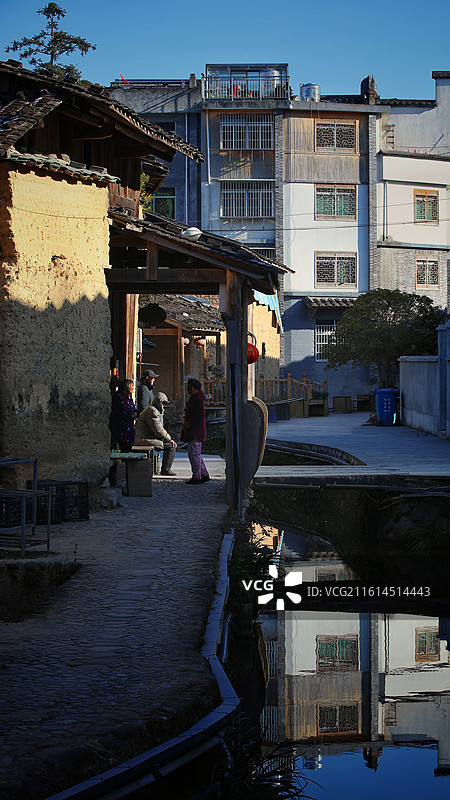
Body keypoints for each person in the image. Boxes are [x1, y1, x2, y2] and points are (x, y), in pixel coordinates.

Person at [134, 392, 177, 475]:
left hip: (145, 437)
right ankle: (165, 469)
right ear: (158, 402)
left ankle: (165, 469)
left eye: (165, 403)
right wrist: (169, 439)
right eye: (162, 403)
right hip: (143, 439)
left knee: (168, 443)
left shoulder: (154, 410)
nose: (163, 405)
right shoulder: (152, 411)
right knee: (171, 446)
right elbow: (158, 429)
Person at [180, 378, 210, 485]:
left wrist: (190, 423)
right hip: (194, 430)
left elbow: (200, 415)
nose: (187, 389)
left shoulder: (197, 400)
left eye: (188, 387)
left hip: (195, 431)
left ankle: (197, 476)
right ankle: (204, 474)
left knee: (194, 455)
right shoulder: (195, 398)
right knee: (196, 454)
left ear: (193, 388)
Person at [109, 379, 138, 452]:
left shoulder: (129, 396)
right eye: (131, 386)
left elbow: (134, 408)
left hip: (129, 430)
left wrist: (136, 413)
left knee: (128, 448)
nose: (133, 388)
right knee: (122, 448)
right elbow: (123, 412)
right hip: (121, 429)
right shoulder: (120, 397)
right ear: (126, 386)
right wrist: (133, 415)